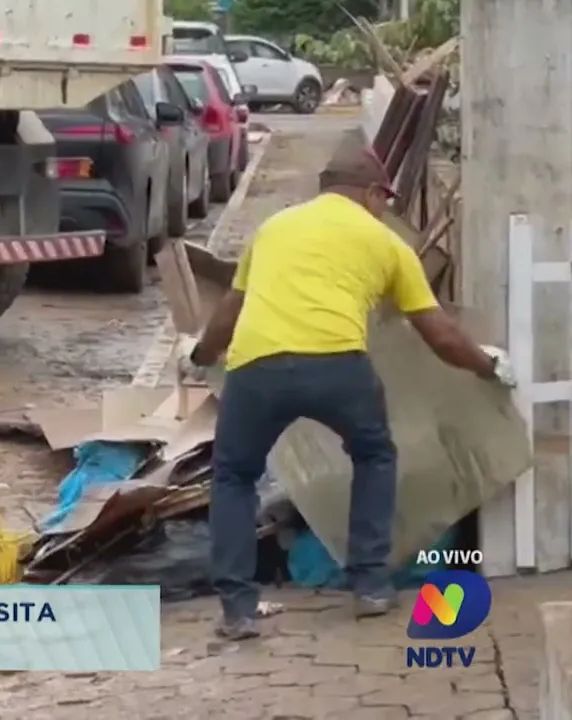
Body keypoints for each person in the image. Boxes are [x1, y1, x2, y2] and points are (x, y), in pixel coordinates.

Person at [177, 147, 516, 641]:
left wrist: (201, 355)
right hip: (337, 367)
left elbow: (230, 310)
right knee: (374, 454)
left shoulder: (273, 229)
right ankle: (370, 586)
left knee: (233, 477)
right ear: (372, 193)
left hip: (255, 370)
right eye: (384, 200)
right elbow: (440, 336)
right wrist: (489, 366)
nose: (383, 209)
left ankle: (238, 611)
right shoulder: (386, 244)